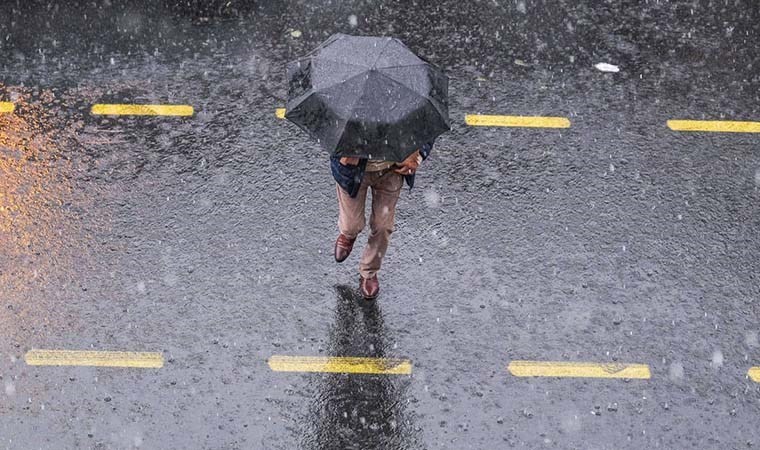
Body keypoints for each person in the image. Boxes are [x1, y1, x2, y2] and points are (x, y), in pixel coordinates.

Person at [329, 142, 433, 300]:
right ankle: (348, 235)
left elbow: (428, 124)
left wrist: (417, 156)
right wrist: (342, 150)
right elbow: (328, 129)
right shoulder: (349, 116)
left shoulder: (404, 115)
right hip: (353, 169)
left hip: (392, 171)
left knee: (383, 226)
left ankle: (369, 271)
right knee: (351, 225)